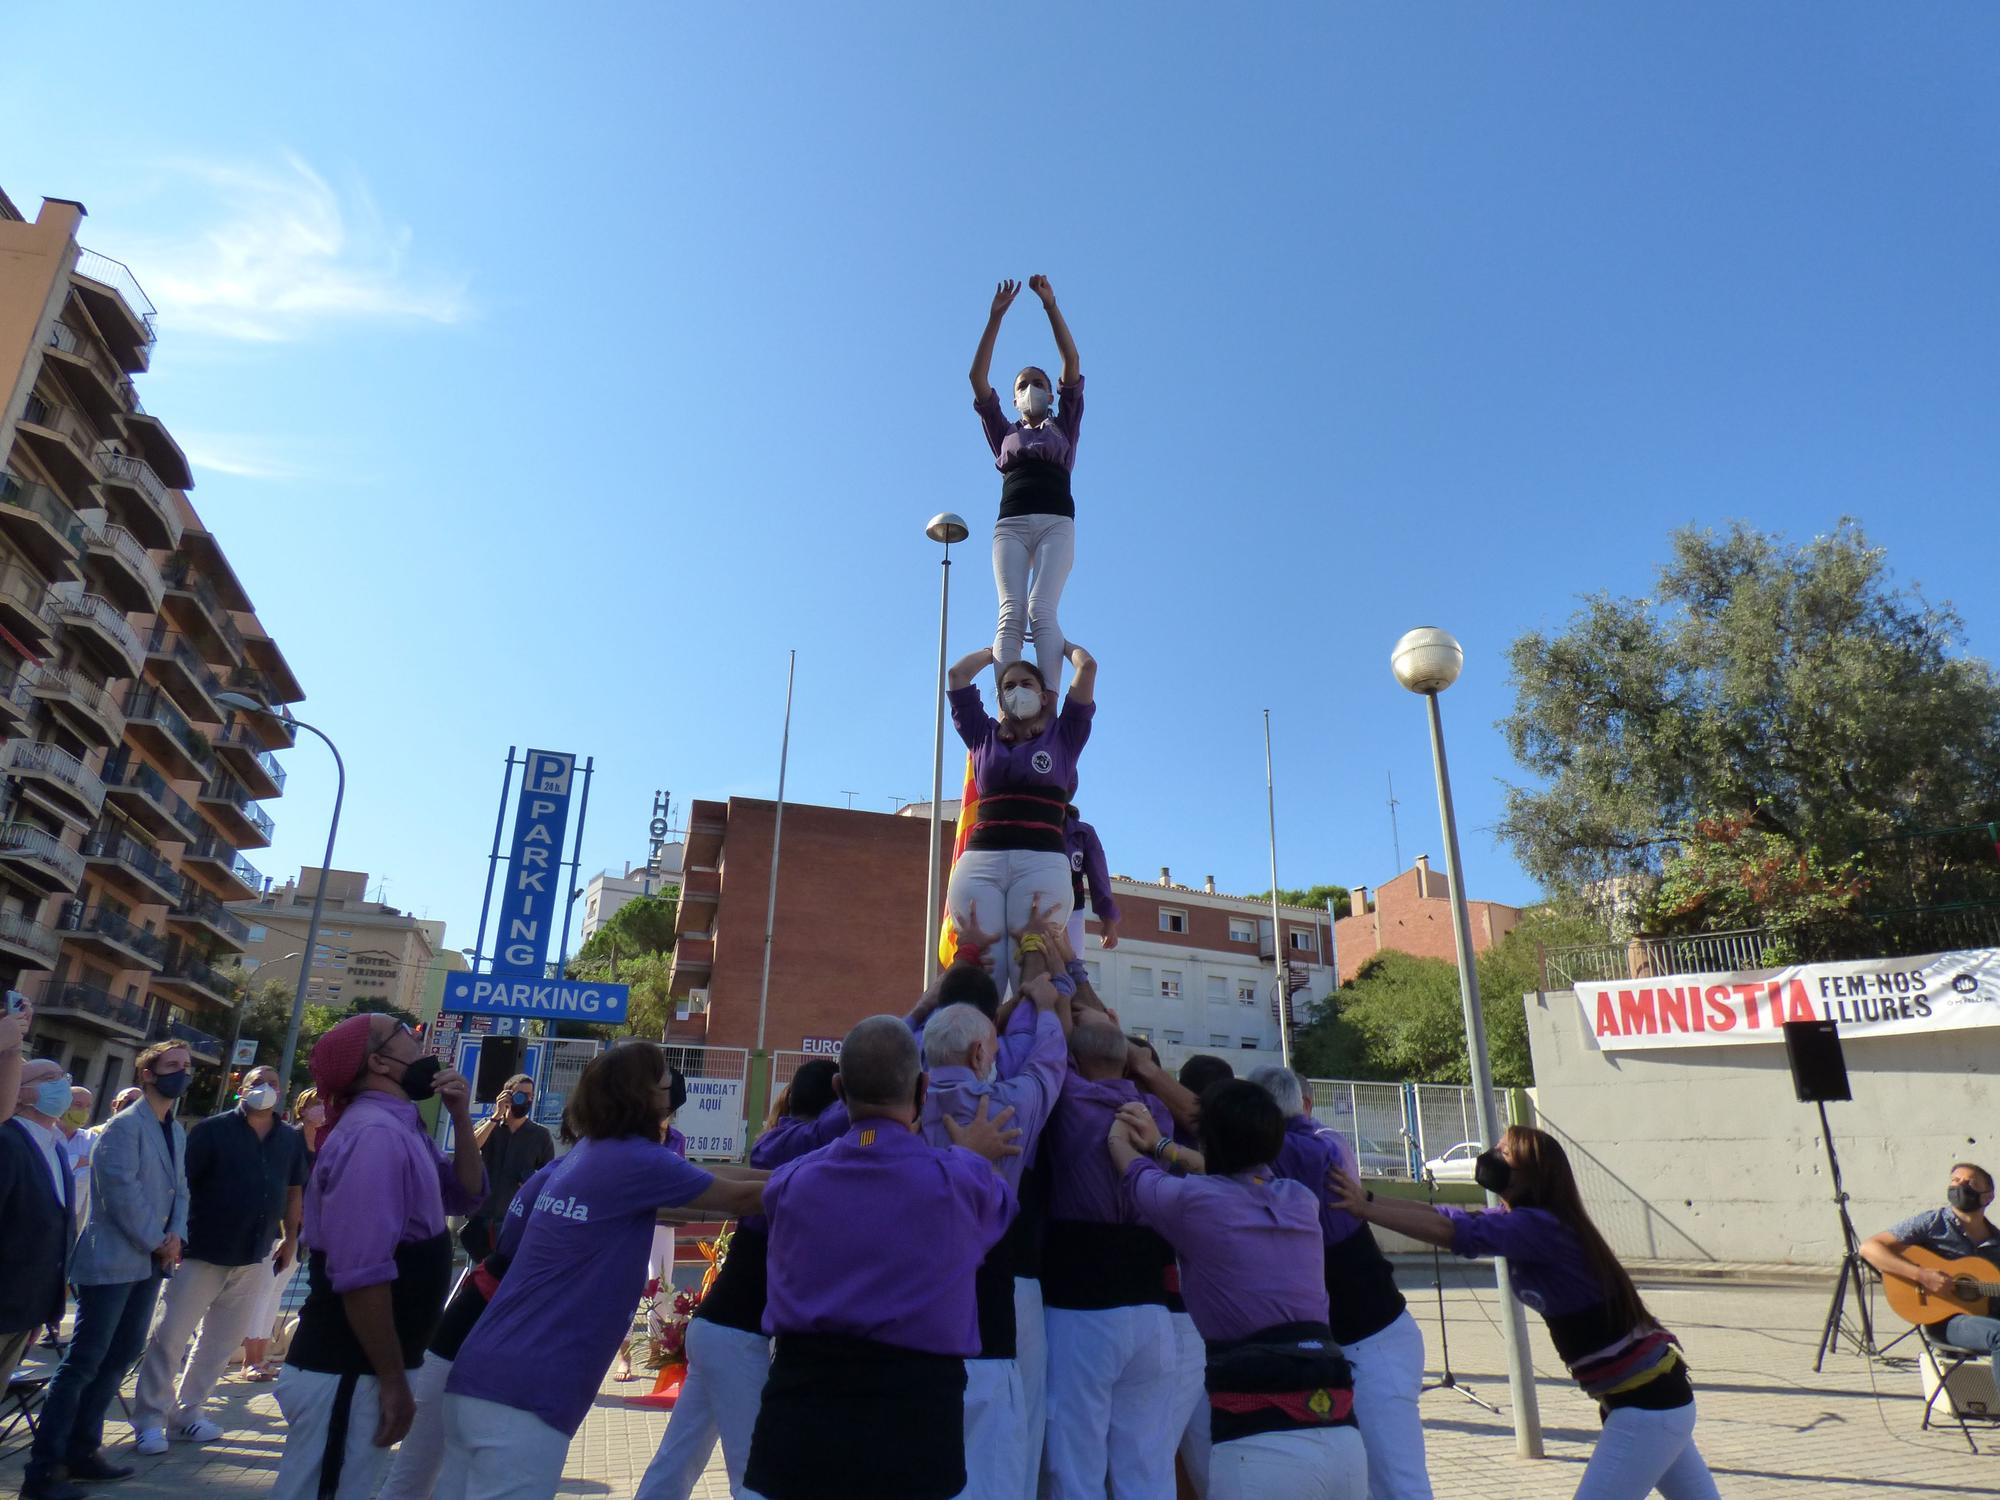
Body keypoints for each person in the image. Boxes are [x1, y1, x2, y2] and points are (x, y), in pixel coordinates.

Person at [433, 1043, 767, 1500]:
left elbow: (705, 1175)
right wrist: (838, 1172)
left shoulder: (592, 1152)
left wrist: (794, 1169)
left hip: (480, 1380)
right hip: (527, 1399)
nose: (672, 1096)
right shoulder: (635, 1161)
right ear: (643, 1097)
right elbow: (741, 1199)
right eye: (667, 1086)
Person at [1332, 1126, 1721, 1500]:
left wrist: (1364, 1209)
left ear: (1531, 1177)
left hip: (1647, 1406)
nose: (1492, 1157)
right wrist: (1366, 1199)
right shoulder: (1527, 1221)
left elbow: (1453, 1233)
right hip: (1650, 1401)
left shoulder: (1541, 1228)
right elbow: (1448, 1217)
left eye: (1504, 1153)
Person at [742, 1015, 1022, 1500]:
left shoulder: (790, 1183)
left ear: (838, 1088)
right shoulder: (962, 1181)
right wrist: (972, 1156)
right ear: (923, 1088)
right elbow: (996, 1213)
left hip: (796, 1435)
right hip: (916, 1439)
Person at [1108, 1081, 1368, 1500]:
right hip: (1341, 1437)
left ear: (1208, 1139)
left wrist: (1118, 1133)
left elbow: (1136, 1175)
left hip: (1257, 1444)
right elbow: (1233, 1176)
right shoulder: (1300, 1200)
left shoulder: (1192, 1202)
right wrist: (1164, 1147)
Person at [271, 1014, 485, 1500]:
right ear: (379, 1062)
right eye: (404, 1036)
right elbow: (361, 1273)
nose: (419, 1041)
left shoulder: (400, 1125)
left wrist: (461, 1117)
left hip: (365, 1369)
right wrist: (392, 1381)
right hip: (348, 1370)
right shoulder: (375, 1135)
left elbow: (467, 1195)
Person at [634, 1060, 843, 1500]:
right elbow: (856, 1110)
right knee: (755, 1474)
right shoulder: (794, 1145)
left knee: (677, 1460)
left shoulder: (780, 1141)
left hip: (718, 1330)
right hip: (735, 1336)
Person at [919, 979, 1069, 1500]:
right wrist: (1047, 1008)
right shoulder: (1006, 1109)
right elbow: (1048, 1066)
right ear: (982, 1052)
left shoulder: (901, 1109)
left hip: (912, 1324)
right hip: (988, 1314)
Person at [23, 1041, 192, 1500]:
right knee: (84, 1363)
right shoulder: (123, 1127)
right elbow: (120, 1194)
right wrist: (158, 1241)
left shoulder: (173, 1130)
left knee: (120, 1358)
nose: (183, 1073)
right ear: (148, 1074)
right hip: (112, 1260)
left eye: (187, 1066)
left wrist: (176, 1234)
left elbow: (181, 1189)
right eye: (172, 1066)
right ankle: (44, 1469)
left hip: (150, 1264)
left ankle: (84, 1450)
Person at [1250, 1067, 1430, 1500]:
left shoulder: (1308, 1152)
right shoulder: (1312, 1145)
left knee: (1396, 1483)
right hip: (1359, 1341)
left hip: (1372, 1341)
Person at [1038, 1011, 1181, 1500]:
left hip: (1083, 1307)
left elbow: (1054, 1065)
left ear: (1073, 1062)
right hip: (1151, 1312)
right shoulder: (1156, 1116)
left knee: (1076, 1463)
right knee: (1147, 1463)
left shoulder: (1069, 1102)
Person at [133, 1063, 306, 1452]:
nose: (265, 1088)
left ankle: (189, 1413)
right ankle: (149, 1420)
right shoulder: (212, 1131)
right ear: (240, 1089)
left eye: (273, 1083)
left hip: (255, 1253)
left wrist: (290, 1238)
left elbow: (294, 1189)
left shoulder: (289, 1139)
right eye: (256, 1082)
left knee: (221, 1342)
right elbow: (181, 1186)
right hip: (202, 1249)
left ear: (284, 1091)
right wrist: (172, 1234)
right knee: (170, 1336)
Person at [944, 640, 1097, 999]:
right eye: (1008, 687)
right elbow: (957, 675)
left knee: (1033, 967)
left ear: (1046, 697)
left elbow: (1087, 668)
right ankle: (972, 1046)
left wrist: (1061, 646)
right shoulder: (983, 736)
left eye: (1026, 685)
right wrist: (994, 650)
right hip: (981, 862)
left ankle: (1034, 1049)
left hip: (1041, 863)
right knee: (983, 969)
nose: (1017, 691)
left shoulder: (1064, 737)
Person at [968, 275, 1084, 696]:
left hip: (1056, 520)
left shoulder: (1063, 424)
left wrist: (1050, 306)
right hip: (1012, 523)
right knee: (1011, 611)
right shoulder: (1004, 431)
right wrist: (994, 318)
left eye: (1038, 383)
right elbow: (977, 380)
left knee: (1041, 608)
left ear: (1050, 395)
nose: (1030, 389)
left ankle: (1048, 700)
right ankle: (1008, 704)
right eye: (1022, 385)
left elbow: (1071, 364)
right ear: (1015, 399)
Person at [1859, 1162, 2000, 1384]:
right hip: (1944, 1321)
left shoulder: (1996, 1242)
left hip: (1985, 1317)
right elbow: (1869, 1248)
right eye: (1955, 1180)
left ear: (1987, 1197)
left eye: (1969, 1182)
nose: (1959, 1185)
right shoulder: (1932, 1223)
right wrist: (1922, 1276)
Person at [0, 1059, 79, 1397]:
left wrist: (42, 1307)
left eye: (63, 1077)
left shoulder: (55, 1147)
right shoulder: (7, 1141)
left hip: (28, 1305)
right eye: (48, 1078)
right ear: (19, 1092)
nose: (60, 1085)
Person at [241, 1086, 327, 1382]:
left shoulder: (326, 1143)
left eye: (325, 1104)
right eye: (316, 1104)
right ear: (302, 1108)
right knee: (263, 1287)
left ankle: (261, 1357)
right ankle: (250, 1359)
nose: (322, 1110)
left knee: (277, 1290)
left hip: (304, 1227)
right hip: (278, 1224)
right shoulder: (290, 1139)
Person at [461, 1071, 554, 1259]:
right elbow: (469, 1148)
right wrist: (496, 1116)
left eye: (530, 1096)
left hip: (514, 1219)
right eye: (520, 1094)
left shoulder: (540, 1135)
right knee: (478, 1279)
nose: (526, 1100)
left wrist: (532, 1182)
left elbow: (550, 1178)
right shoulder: (489, 1127)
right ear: (507, 1095)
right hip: (481, 1217)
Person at [1063, 805, 1119, 953]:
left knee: (1073, 967)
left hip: (1072, 911)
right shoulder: (1025, 825)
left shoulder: (1082, 834)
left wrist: (1109, 922)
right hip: (1031, 909)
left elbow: (1099, 877)